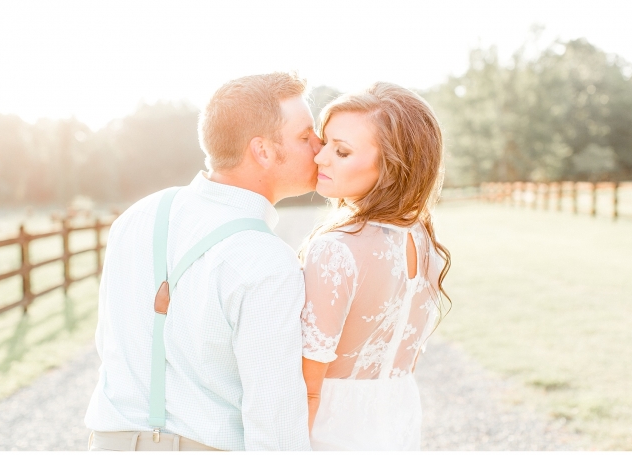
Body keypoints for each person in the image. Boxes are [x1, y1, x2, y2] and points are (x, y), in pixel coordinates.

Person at [84, 72, 321, 451]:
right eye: (306, 136)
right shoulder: (268, 261)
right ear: (262, 151)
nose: (320, 147)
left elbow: (110, 343)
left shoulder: (136, 216)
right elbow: (273, 416)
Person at [299, 82, 452, 450]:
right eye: (325, 143)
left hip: (334, 429)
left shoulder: (336, 249)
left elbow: (307, 389)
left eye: (342, 151)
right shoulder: (424, 240)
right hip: (397, 419)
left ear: (391, 166)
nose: (320, 158)